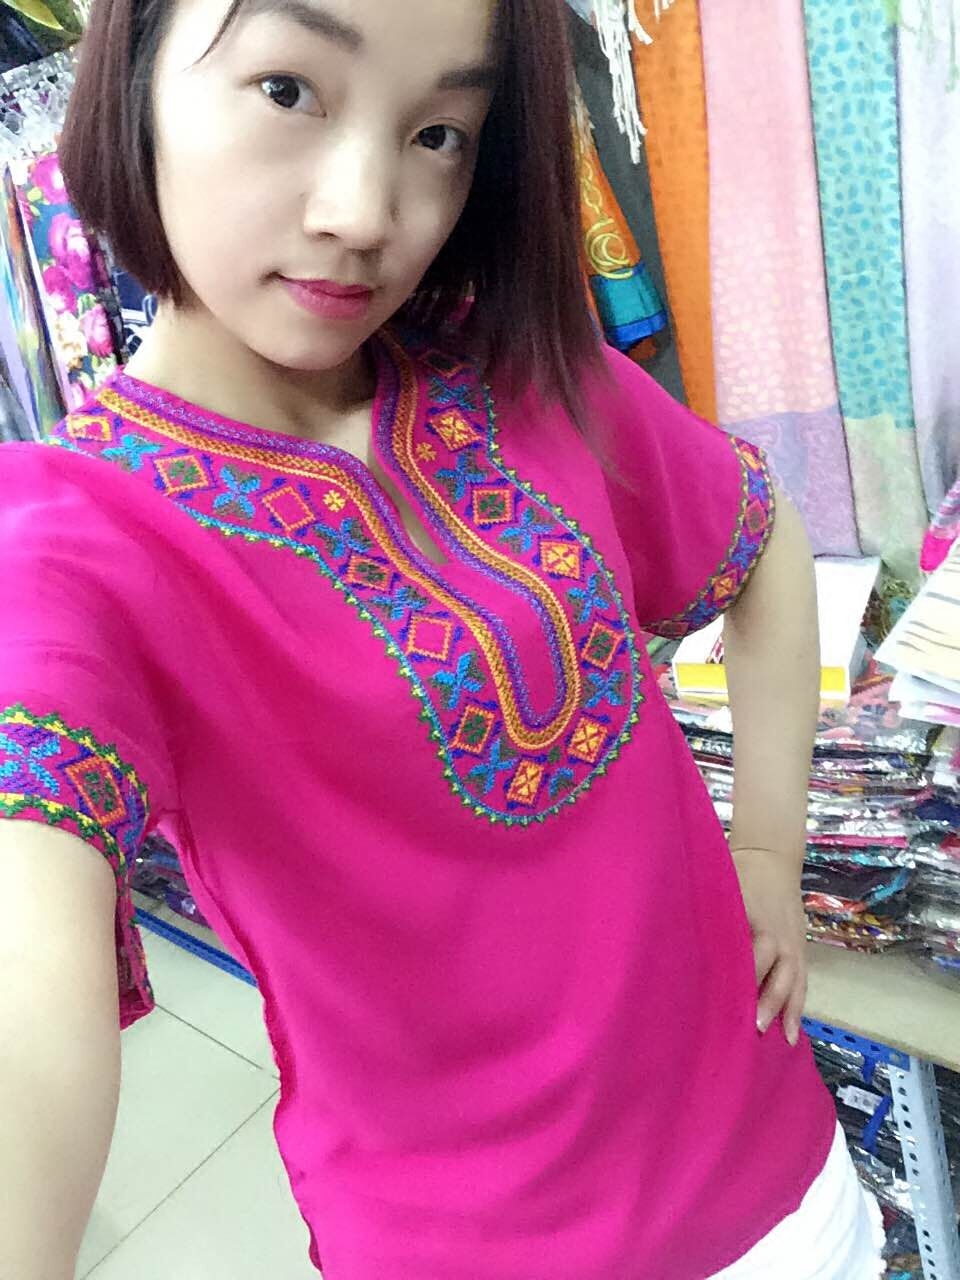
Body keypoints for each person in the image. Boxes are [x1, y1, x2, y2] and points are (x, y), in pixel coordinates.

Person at [0, 0, 887, 1276]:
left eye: (439, 134)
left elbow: (763, 547)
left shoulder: (517, 366)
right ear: (132, 71)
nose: (368, 212)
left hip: (783, 1176)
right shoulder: (73, 542)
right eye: (289, 90)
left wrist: (766, 848)